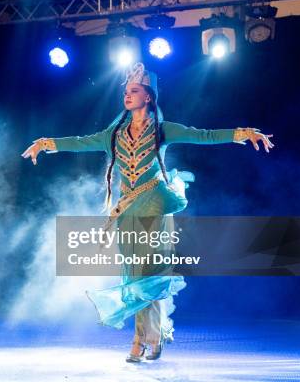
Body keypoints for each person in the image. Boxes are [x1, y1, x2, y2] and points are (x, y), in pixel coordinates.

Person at [21, 62, 274, 362]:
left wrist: (244, 134)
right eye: (125, 91)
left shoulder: (162, 131)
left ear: (148, 97)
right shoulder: (113, 134)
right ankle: (154, 336)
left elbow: (202, 135)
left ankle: (140, 341)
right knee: (136, 276)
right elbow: (80, 142)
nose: (127, 96)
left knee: (144, 273)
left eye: (134, 91)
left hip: (154, 203)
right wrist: (46, 143)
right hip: (127, 209)